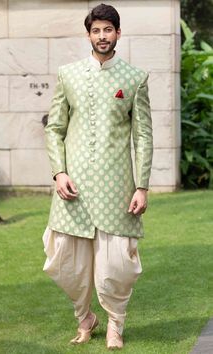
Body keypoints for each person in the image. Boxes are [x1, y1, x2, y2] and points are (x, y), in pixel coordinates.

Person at [42, 3, 153, 350]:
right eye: (96, 30)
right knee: (65, 263)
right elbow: (55, 128)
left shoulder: (135, 78)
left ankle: (115, 326)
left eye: (108, 30)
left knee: (117, 264)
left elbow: (143, 136)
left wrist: (142, 185)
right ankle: (85, 317)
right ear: (88, 34)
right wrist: (58, 172)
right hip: (71, 187)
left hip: (117, 187)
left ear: (118, 33)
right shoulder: (68, 74)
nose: (102, 36)